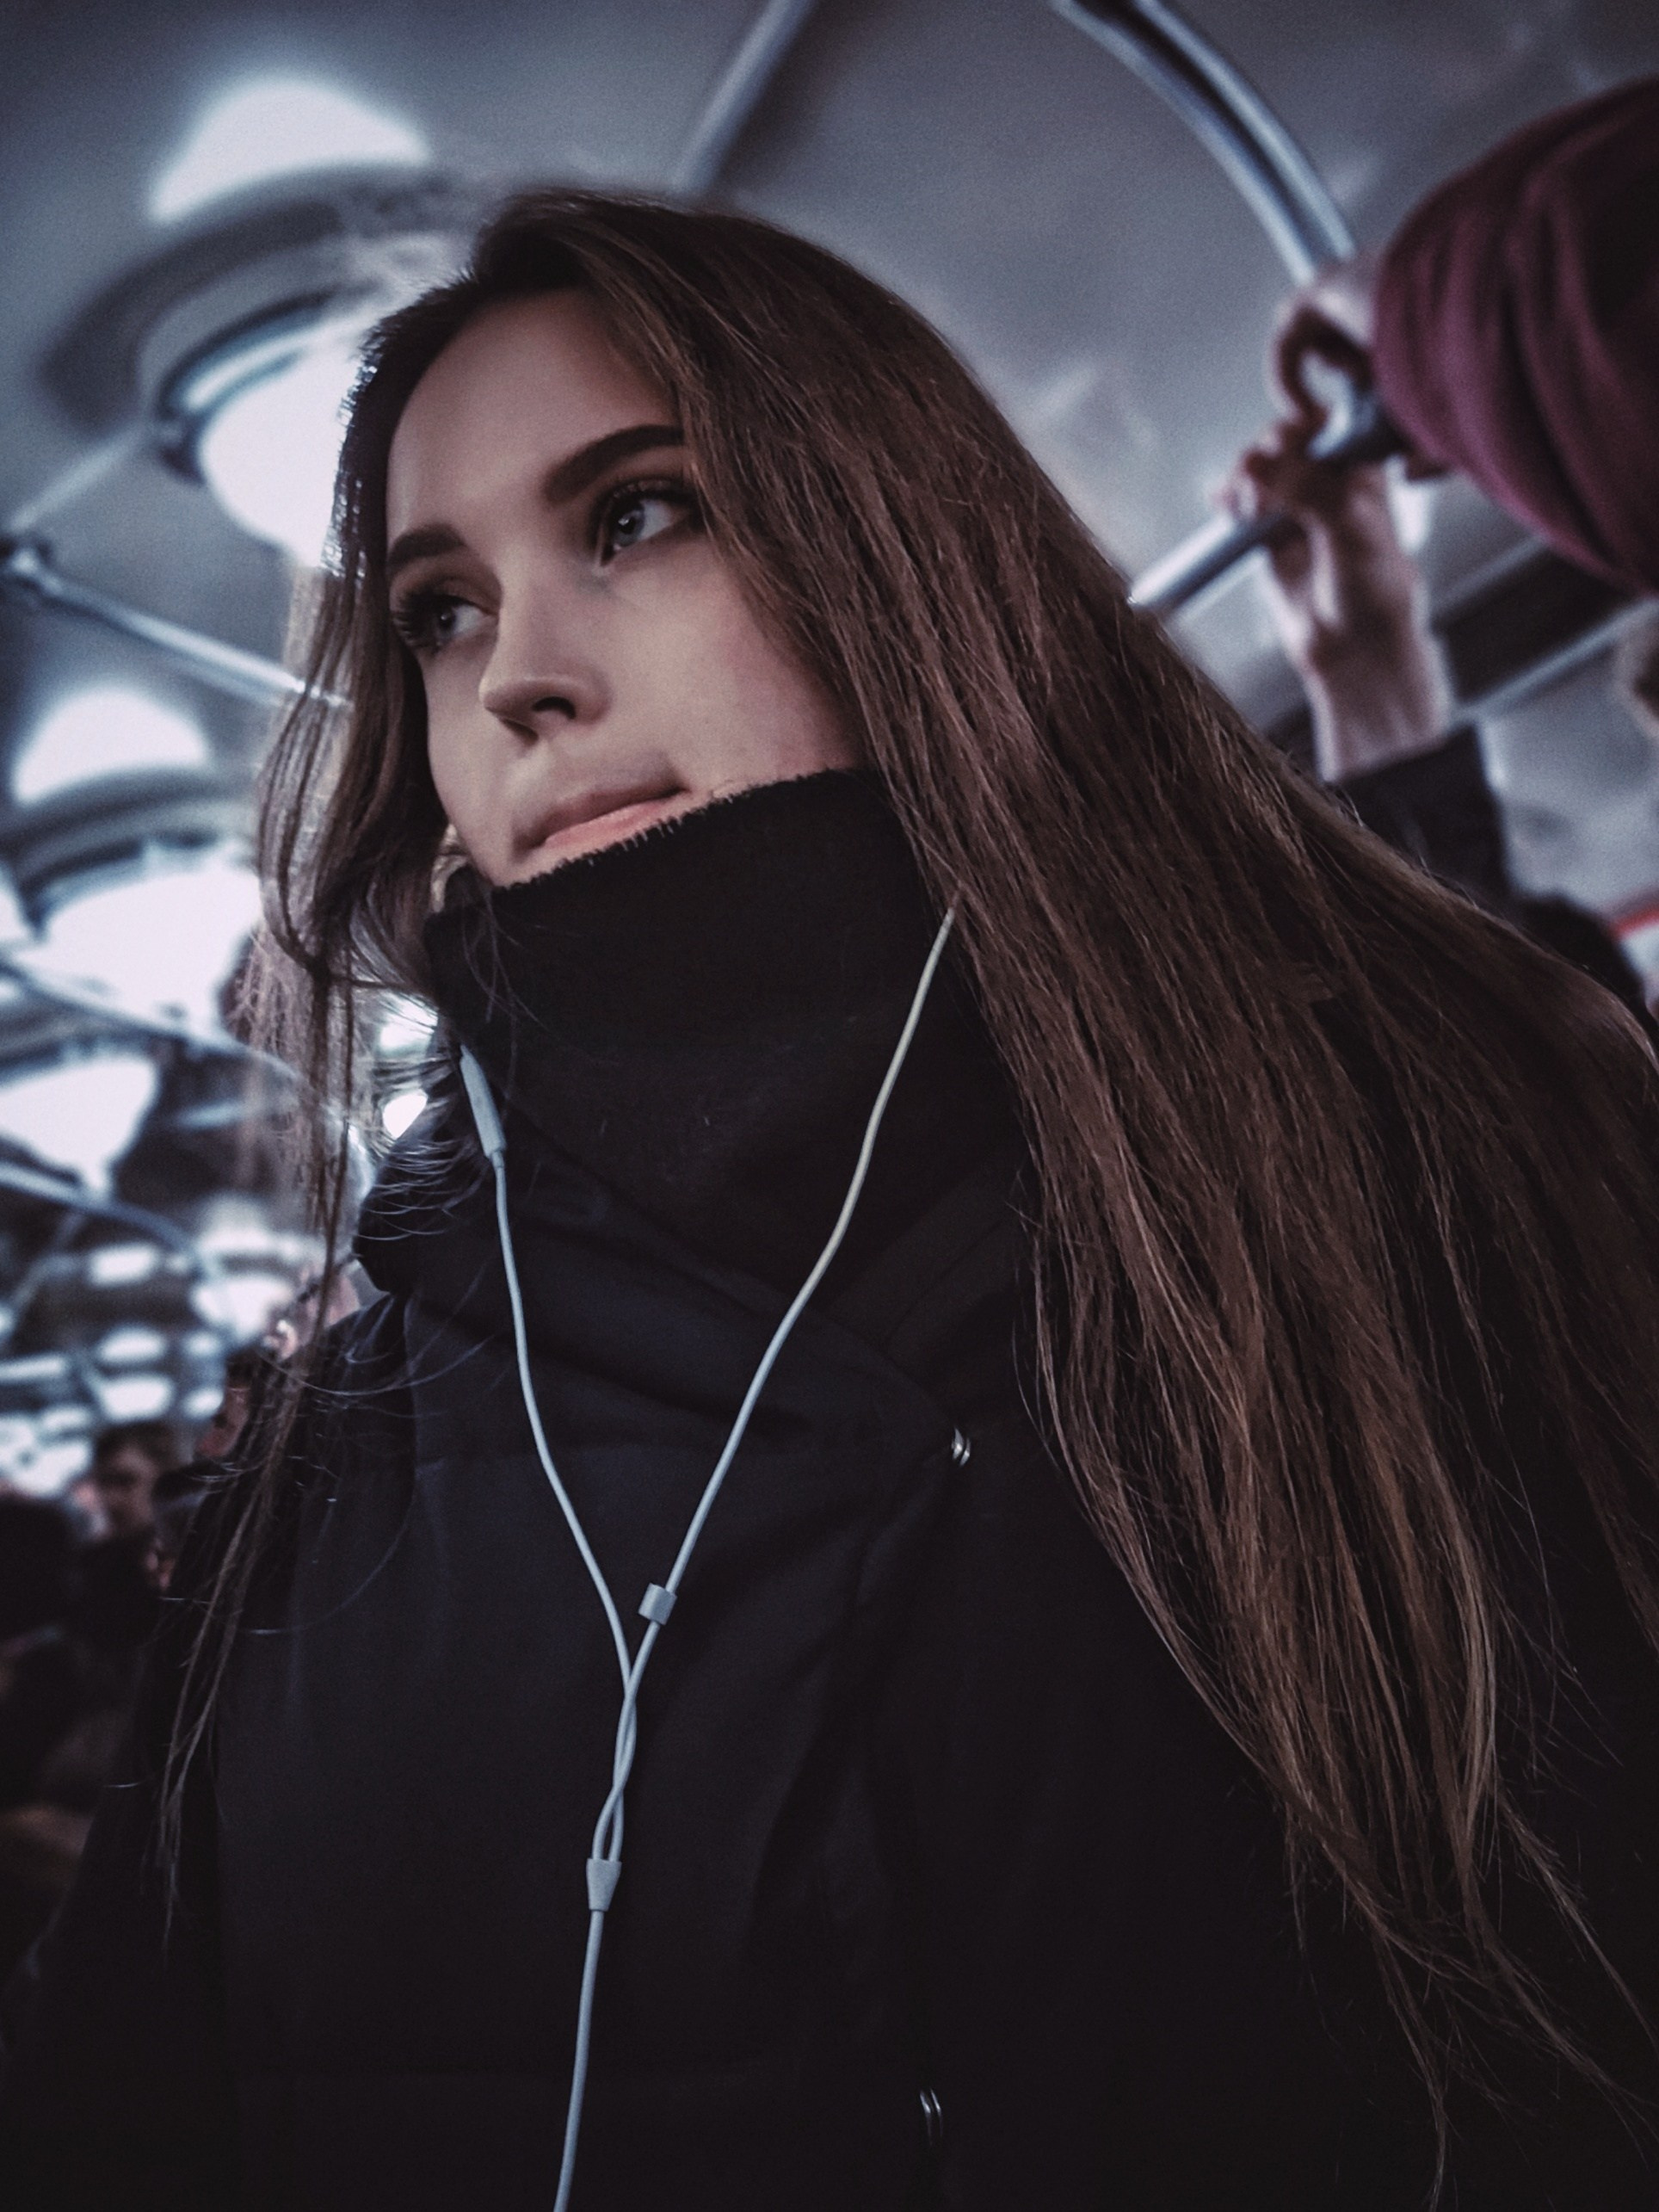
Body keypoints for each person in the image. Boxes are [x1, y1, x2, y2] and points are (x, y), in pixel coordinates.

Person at [5, 192, 1659, 2212]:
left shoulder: (1414, 1190)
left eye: (636, 516)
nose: (515, 674)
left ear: (901, 556)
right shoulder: (325, 1490)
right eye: (437, 612)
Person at [1224, 415, 1651, 1014]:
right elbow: (1498, 1004)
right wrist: (1368, 653)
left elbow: (1474, 1018)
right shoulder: (1596, 1009)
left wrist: (1364, 663)